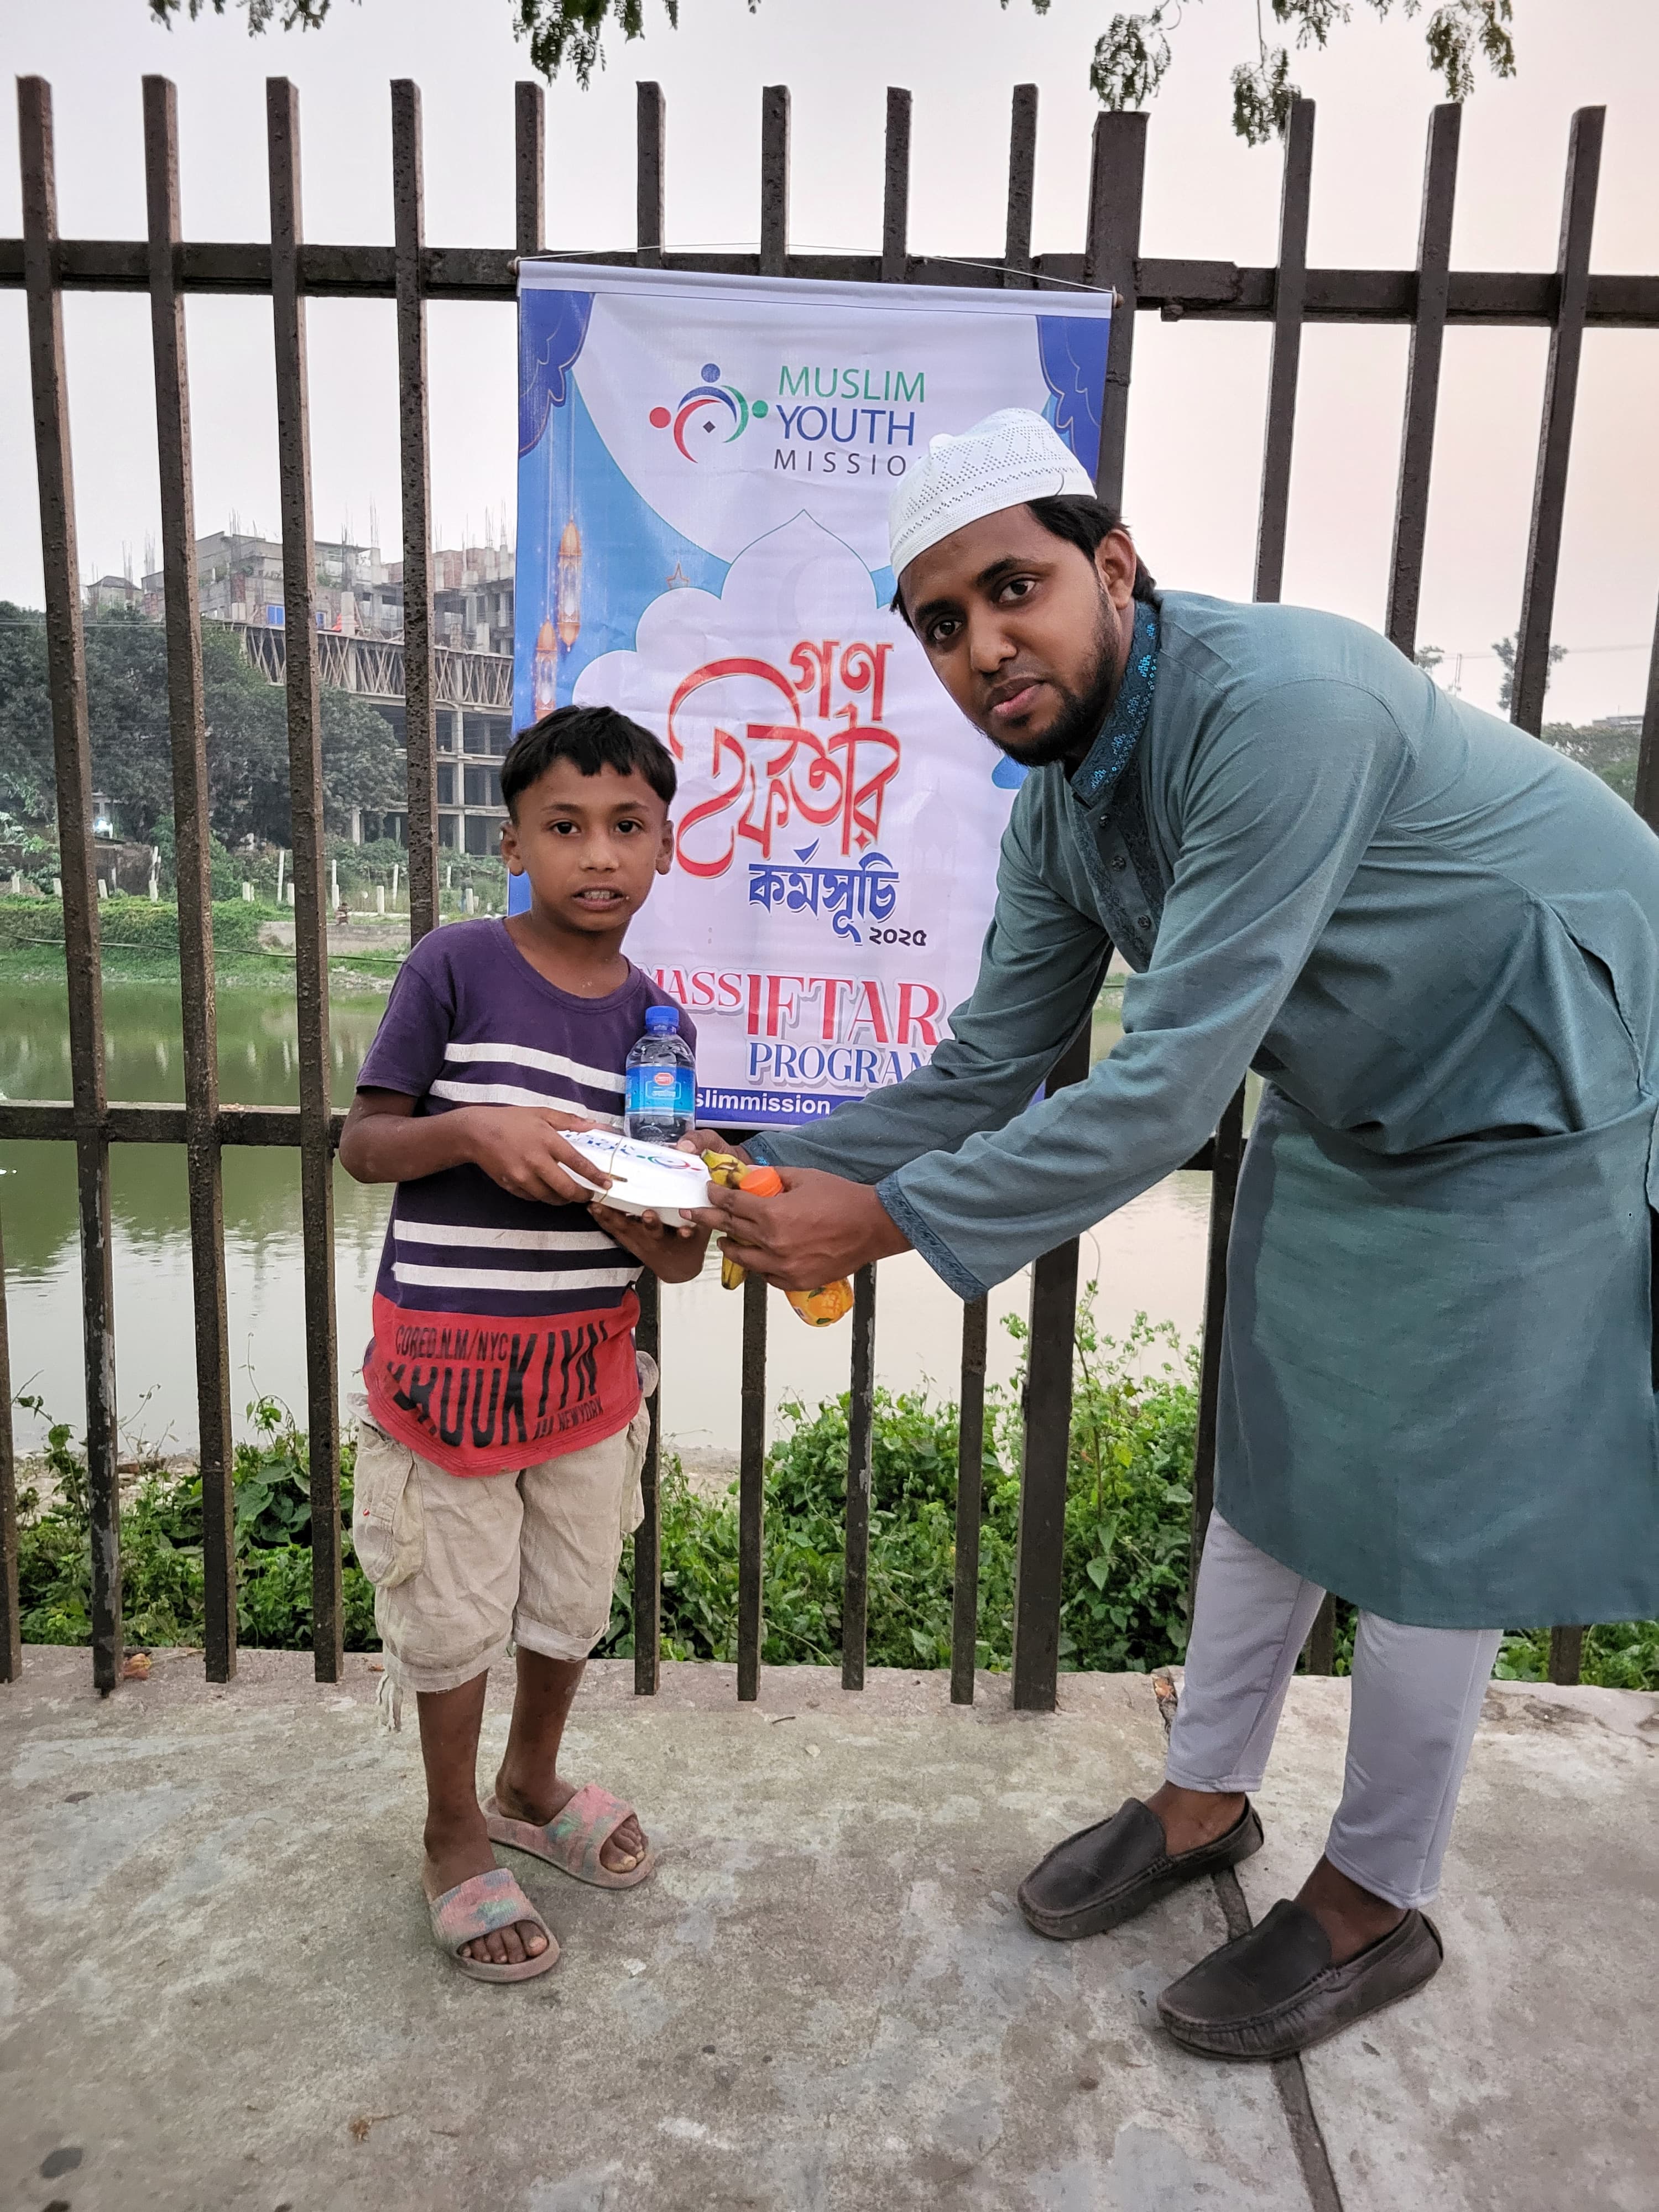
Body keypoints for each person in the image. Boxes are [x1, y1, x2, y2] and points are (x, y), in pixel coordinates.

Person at [690, 408, 1659, 2057]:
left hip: (1535, 1090)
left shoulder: (1283, 711)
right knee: (1271, 1472)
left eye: (1015, 589)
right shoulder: (1063, 805)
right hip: (1357, 1099)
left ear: (1113, 569)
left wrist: (891, 1223)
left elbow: (1160, 1092)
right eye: (940, 624)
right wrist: (753, 1173)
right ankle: (1205, 1799)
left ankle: (1373, 1900)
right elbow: (991, 1068)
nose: (985, 647)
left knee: (1440, 1527)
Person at [339, 703, 708, 1984]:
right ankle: (452, 1830)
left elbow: (672, 1254)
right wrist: (473, 1129)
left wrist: (670, 1202)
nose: (596, 854)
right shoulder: (454, 965)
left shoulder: (662, 1026)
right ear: (515, 841)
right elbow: (365, 1141)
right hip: (446, 1378)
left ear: (669, 844)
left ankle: (531, 1774)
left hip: (585, 1379)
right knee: (449, 1616)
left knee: (569, 1598)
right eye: (565, 827)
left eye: (626, 827)